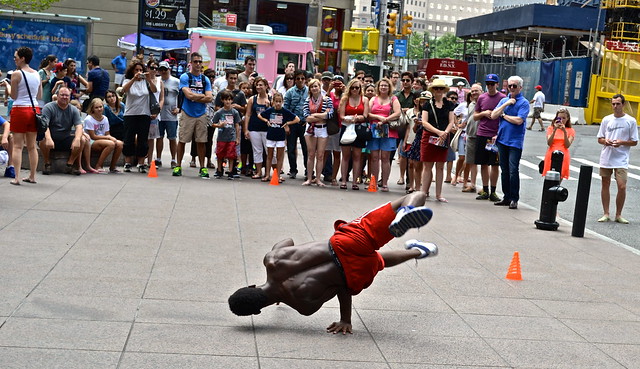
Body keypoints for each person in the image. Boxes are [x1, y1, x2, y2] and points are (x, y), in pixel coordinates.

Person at [228, 192, 438, 334]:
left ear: (257, 312)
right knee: (416, 194)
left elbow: (341, 288)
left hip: (353, 272)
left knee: (377, 261)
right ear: (251, 286)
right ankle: (405, 211)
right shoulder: (272, 260)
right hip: (345, 243)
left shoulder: (304, 305)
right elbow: (287, 241)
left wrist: (345, 319)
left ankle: (419, 251)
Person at [596, 94, 638, 224]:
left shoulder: (630, 121)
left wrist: (621, 142)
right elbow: (600, 138)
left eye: (618, 104)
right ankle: (606, 213)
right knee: (605, 183)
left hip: (621, 158)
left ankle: (618, 214)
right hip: (607, 156)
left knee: (622, 186)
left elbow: (634, 141)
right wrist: (606, 141)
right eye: (613, 104)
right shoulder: (606, 119)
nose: (615, 106)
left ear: (623, 104)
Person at [490, 76, 530, 209]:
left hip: (515, 142)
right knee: (504, 170)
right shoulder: (503, 100)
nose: (512, 88)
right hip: (502, 140)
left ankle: (514, 198)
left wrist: (504, 116)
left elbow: (519, 120)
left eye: (515, 86)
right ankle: (506, 196)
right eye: (510, 86)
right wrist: (506, 104)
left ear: (520, 87)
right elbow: (493, 115)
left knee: (513, 170)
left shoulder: (524, 103)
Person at [173, 52, 213, 178]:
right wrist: (201, 96)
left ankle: (202, 167)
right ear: (191, 63)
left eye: (200, 62)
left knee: (201, 141)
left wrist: (196, 97)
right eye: (195, 62)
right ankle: (178, 166)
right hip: (187, 112)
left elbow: (209, 98)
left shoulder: (205, 79)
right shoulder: (185, 77)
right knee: (183, 140)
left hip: (201, 114)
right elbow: (188, 95)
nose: (198, 64)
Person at [9, 47, 42, 184]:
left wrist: (8, 86)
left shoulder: (16, 74)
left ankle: (17, 177)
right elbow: (39, 95)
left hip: (20, 110)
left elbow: (14, 95)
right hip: (34, 110)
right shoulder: (37, 74)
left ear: (22, 58)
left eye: (16, 56)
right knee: (32, 146)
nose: (14, 59)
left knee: (17, 146)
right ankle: (32, 176)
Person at [419, 79, 456, 202]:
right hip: (429, 136)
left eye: (441, 88)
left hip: (443, 137)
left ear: (444, 90)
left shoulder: (449, 104)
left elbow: (451, 121)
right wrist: (438, 132)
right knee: (427, 165)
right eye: (436, 88)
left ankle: (438, 194)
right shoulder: (427, 104)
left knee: (440, 166)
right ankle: (423, 192)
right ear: (433, 90)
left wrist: (445, 132)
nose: (438, 91)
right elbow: (424, 122)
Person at [40, 87, 86, 177]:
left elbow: (79, 126)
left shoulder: (74, 110)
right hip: (52, 136)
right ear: (57, 96)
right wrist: (49, 139)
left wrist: (77, 139)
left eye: (67, 95)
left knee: (82, 140)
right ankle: (47, 164)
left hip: (65, 137)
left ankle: (70, 164)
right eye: (62, 95)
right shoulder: (48, 107)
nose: (64, 97)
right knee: (43, 140)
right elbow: (45, 126)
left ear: (70, 97)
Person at [473, 74, 505, 202]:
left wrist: (498, 134)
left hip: (495, 135)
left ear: (497, 84)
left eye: (492, 84)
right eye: (488, 84)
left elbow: (505, 117)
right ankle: (485, 190)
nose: (490, 86)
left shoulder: (503, 98)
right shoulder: (482, 98)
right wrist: (483, 113)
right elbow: (475, 116)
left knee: (495, 164)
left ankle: (493, 191)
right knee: (483, 163)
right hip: (482, 133)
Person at [121, 61, 157, 173]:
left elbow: (154, 90)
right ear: (132, 71)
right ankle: (127, 162)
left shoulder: (145, 82)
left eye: (141, 70)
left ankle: (141, 163)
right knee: (128, 139)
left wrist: (149, 79)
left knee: (143, 140)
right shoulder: (127, 80)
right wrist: (133, 79)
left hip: (144, 114)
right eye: (136, 70)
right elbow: (124, 90)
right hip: (130, 114)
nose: (139, 72)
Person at [367, 78, 401, 192]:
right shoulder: (373, 99)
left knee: (385, 158)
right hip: (374, 129)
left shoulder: (393, 99)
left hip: (388, 131)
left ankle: (385, 182)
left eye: (386, 86)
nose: (383, 87)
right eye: (381, 85)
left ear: (389, 87)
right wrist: (378, 118)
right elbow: (367, 113)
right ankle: (374, 182)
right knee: (374, 157)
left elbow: (398, 113)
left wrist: (386, 119)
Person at [258, 92, 299, 183]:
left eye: (280, 101)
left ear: (282, 102)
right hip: (271, 136)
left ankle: (278, 175)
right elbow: (260, 115)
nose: (278, 103)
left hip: (280, 137)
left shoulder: (285, 111)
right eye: (276, 101)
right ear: (273, 102)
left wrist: (288, 123)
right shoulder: (270, 110)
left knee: (280, 157)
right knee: (269, 156)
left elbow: (297, 119)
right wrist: (266, 121)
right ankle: (267, 174)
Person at [338, 78, 368, 191]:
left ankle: (355, 181)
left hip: (358, 128)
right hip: (346, 127)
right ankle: (344, 180)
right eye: (353, 87)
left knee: (357, 156)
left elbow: (365, 115)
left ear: (360, 89)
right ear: (349, 88)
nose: (355, 90)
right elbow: (341, 115)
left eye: (357, 88)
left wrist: (358, 118)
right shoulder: (345, 99)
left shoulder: (364, 100)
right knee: (345, 156)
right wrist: (348, 118)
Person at [302, 78, 333, 187]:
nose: (314, 88)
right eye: (312, 86)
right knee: (311, 155)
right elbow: (306, 116)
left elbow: (330, 115)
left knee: (320, 155)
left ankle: (319, 179)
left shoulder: (327, 100)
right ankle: (310, 178)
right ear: (310, 89)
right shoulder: (307, 100)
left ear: (319, 87)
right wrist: (321, 116)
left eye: (316, 86)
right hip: (311, 129)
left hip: (323, 129)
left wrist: (315, 115)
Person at [83, 98, 123, 173]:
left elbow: (107, 133)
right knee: (111, 144)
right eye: (96, 107)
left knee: (120, 144)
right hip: (92, 141)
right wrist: (108, 138)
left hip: (103, 139)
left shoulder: (105, 119)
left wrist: (109, 137)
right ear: (92, 109)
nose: (99, 109)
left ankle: (113, 166)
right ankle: (98, 165)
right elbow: (93, 136)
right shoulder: (89, 119)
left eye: (100, 107)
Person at [211, 90, 242, 179]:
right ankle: (219, 170)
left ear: (232, 100)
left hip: (231, 136)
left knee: (231, 155)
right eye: (226, 99)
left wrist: (237, 137)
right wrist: (219, 125)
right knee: (220, 154)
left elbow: (237, 124)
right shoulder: (219, 112)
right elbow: (213, 123)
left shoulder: (234, 112)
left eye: (229, 99)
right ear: (222, 100)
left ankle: (231, 170)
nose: (227, 102)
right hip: (221, 137)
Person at [244, 76, 271, 180]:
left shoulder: (271, 98)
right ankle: (259, 171)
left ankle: (269, 173)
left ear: (266, 86)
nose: (259, 87)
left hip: (267, 129)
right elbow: (248, 114)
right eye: (257, 85)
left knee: (269, 151)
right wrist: (246, 129)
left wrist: (269, 106)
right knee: (257, 151)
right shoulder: (252, 99)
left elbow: (275, 114)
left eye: (261, 85)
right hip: (254, 128)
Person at [284, 69, 309, 179]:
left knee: (306, 149)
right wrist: (286, 125)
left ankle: (308, 170)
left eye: (302, 78)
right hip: (293, 123)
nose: (300, 80)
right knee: (291, 148)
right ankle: (293, 169)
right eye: (298, 78)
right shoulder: (290, 92)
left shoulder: (309, 91)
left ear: (305, 79)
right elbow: (285, 109)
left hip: (305, 124)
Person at [157, 61, 180, 168]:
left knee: (172, 137)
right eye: (161, 69)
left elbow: (182, 96)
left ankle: (173, 159)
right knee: (159, 137)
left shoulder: (176, 81)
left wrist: (179, 108)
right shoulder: (157, 80)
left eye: (165, 69)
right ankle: (158, 158)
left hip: (171, 114)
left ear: (169, 69)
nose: (163, 72)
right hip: (160, 113)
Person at [460, 84, 482, 193]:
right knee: (471, 161)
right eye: (472, 91)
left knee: (484, 162)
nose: (474, 93)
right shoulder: (471, 104)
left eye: (476, 91)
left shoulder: (484, 103)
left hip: (482, 135)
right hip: (470, 135)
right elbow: (469, 119)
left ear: (481, 91)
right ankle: (472, 184)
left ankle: (485, 187)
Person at [542, 108, 575, 181]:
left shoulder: (570, 131)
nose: (562, 120)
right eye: (560, 118)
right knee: (548, 179)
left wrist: (564, 132)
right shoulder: (551, 128)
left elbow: (567, 145)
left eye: (564, 118)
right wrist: (554, 130)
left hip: (563, 155)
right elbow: (549, 143)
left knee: (559, 179)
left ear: (567, 119)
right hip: (551, 154)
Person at [395, 72, 415, 188]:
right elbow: (394, 110)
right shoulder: (397, 95)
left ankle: (409, 180)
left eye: (408, 80)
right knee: (392, 154)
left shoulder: (415, 95)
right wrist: (405, 110)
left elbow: (416, 108)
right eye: (403, 80)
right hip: (398, 127)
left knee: (408, 156)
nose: (405, 82)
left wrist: (403, 109)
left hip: (411, 128)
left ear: (412, 81)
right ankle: (400, 177)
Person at [146, 60, 164, 168]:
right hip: (143, 111)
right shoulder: (144, 80)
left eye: (156, 68)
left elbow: (161, 98)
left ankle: (149, 160)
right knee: (142, 136)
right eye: (152, 67)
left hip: (154, 113)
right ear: (147, 68)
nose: (154, 70)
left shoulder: (159, 81)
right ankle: (141, 159)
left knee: (151, 138)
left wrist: (158, 111)